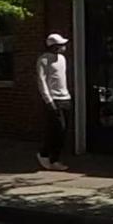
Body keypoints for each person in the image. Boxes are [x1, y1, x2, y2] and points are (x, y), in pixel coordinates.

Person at [36, 33, 71, 171]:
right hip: (54, 99)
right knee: (57, 129)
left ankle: (55, 158)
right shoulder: (44, 60)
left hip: (65, 97)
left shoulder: (62, 59)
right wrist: (48, 100)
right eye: (60, 45)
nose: (63, 47)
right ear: (53, 46)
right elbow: (41, 81)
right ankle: (45, 154)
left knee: (63, 130)